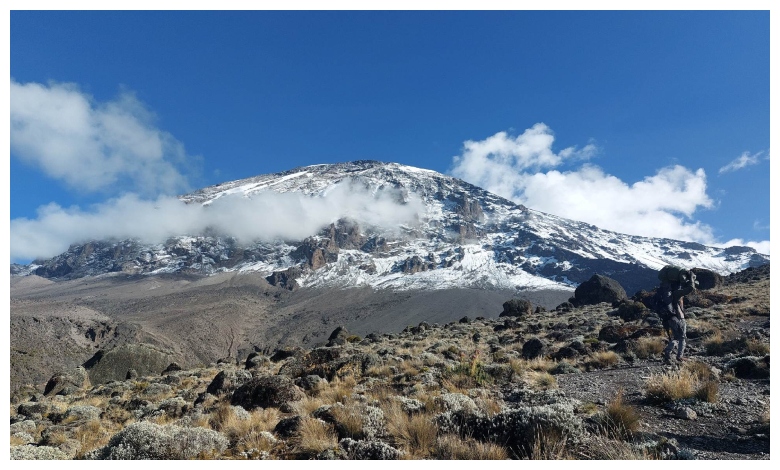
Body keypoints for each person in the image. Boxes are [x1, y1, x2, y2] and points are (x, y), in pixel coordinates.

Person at [656, 265, 697, 364]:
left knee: (674, 337)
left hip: (669, 317)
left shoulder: (666, 292)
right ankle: (680, 356)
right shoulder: (676, 293)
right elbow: (690, 288)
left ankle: (667, 354)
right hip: (678, 317)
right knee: (682, 337)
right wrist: (691, 278)